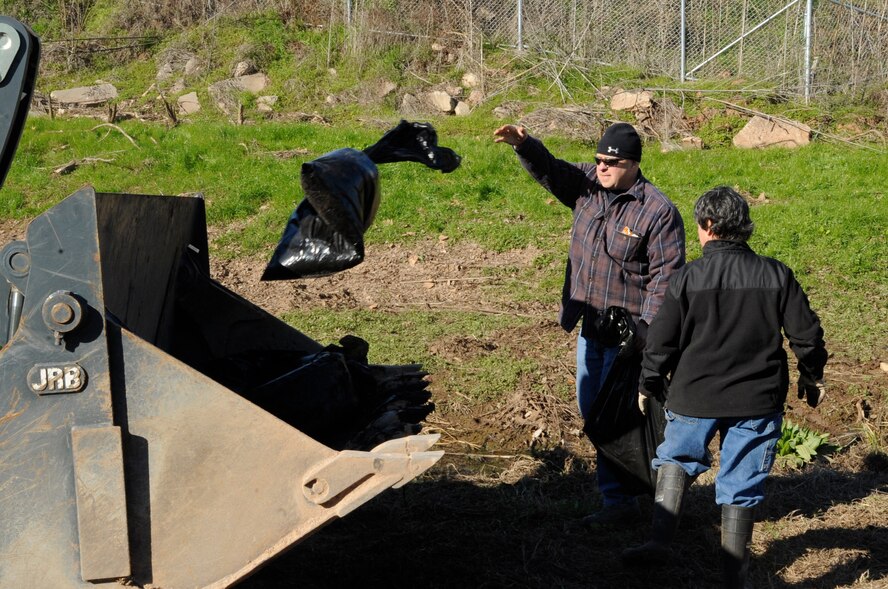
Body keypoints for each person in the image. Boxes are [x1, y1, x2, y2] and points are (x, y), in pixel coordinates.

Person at [621, 186, 828, 588]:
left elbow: (661, 338)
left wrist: (647, 381)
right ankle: (734, 576)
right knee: (741, 482)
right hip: (757, 400)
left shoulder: (687, 278)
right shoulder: (776, 274)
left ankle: (659, 544)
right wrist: (812, 373)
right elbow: (807, 335)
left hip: (693, 396)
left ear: (709, 226)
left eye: (699, 225)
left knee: (676, 460)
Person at [493, 122, 686, 525]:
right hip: (591, 326)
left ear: (633, 164)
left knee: (619, 419)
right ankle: (627, 497)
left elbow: (665, 281)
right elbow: (552, 170)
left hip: (628, 337)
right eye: (599, 159)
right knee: (594, 411)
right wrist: (525, 145)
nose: (602, 167)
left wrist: (646, 339)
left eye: (612, 162)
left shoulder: (657, 212)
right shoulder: (586, 186)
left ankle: (625, 501)